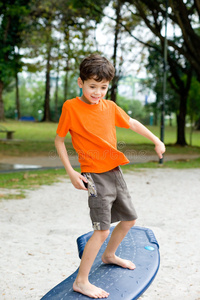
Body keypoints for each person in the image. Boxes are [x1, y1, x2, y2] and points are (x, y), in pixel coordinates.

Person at [55, 54, 165, 299]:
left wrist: (156, 140)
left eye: (103, 87)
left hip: (115, 171)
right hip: (94, 174)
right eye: (92, 86)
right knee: (102, 230)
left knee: (129, 219)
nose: (97, 92)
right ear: (80, 82)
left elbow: (132, 122)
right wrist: (71, 171)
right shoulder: (71, 107)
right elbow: (59, 139)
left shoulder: (110, 106)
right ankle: (81, 281)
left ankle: (109, 255)